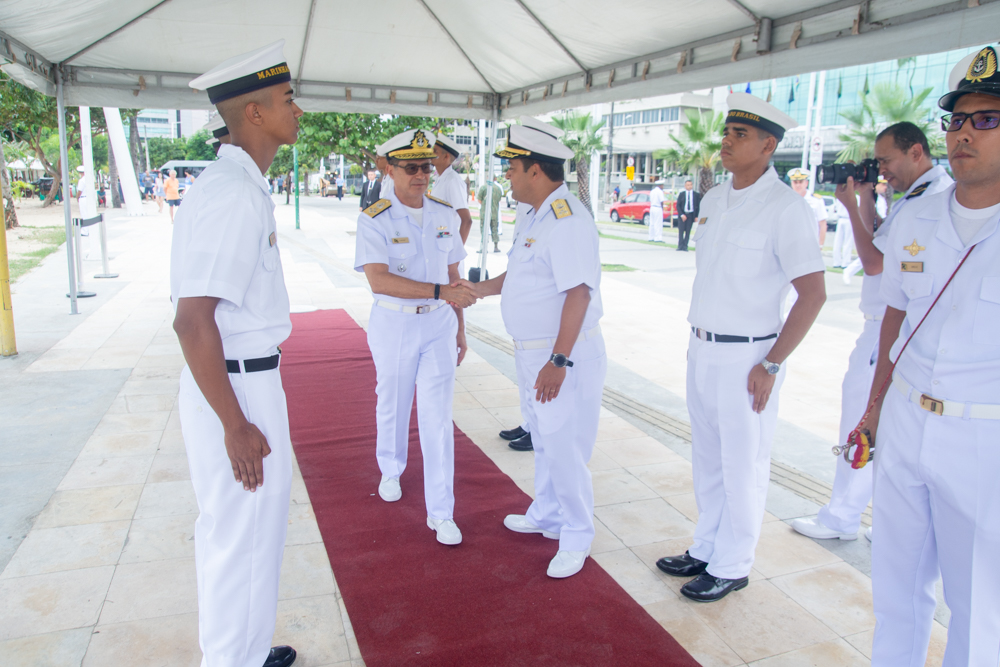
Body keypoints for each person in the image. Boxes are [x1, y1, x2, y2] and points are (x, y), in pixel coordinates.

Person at [655, 93, 826, 603]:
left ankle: (733, 563)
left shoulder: (785, 208)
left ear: (768, 145)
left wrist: (772, 363)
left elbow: (813, 294)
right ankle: (707, 546)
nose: (726, 142)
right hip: (702, 348)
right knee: (707, 457)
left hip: (750, 357)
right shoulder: (714, 199)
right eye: (727, 132)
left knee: (743, 463)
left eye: (740, 135)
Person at [859, 48, 1000, 665]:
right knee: (894, 586)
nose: (964, 132)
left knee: (979, 610)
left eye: (986, 119)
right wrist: (873, 411)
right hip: (908, 420)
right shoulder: (915, 217)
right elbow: (895, 318)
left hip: (984, 434)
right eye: (957, 120)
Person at [172, 39, 302, 667]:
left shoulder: (238, 184)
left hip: (244, 381)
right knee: (239, 542)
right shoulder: (232, 195)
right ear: (253, 113)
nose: (298, 109)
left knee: (247, 538)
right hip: (236, 388)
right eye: (287, 98)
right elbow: (192, 321)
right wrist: (236, 424)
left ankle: (245, 650)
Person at [792, 122, 953, 546]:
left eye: (886, 160)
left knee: (861, 419)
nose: (882, 170)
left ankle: (841, 516)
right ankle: (880, 521)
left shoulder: (930, 198)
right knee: (889, 429)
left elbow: (875, 261)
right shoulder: (919, 195)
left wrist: (848, 207)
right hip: (891, 325)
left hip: (889, 329)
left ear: (916, 151)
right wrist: (865, 199)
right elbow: (883, 240)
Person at [474, 115, 606, 579]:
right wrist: (480, 291)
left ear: (535, 170)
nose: (506, 176)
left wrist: (558, 360)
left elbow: (579, 293)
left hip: (562, 355)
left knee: (565, 445)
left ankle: (576, 534)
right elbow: (525, 277)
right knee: (547, 441)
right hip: (535, 353)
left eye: (512, 167)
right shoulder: (536, 214)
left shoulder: (567, 219)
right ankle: (548, 514)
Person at [354, 129, 476, 546]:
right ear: (389, 168)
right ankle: (391, 467)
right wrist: (441, 293)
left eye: (427, 166)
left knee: (438, 418)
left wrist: (459, 327)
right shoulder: (375, 218)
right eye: (411, 167)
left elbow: (455, 276)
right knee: (393, 399)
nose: (422, 175)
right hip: (395, 323)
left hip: (439, 324)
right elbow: (379, 280)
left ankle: (441, 512)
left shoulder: (445, 214)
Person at [431, 133, 473, 244]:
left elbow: (467, 220)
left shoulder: (452, 181)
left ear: (446, 157)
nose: (431, 154)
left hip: (448, 247)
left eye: (435, 151)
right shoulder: (440, 178)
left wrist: (457, 254)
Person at [788, 168, 827, 245]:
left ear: (806, 183)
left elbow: (822, 224)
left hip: (810, 244)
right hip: (790, 244)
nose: (798, 185)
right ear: (792, 183)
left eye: (801, 182)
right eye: (795, 182)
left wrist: (820, 245)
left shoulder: (816, 200)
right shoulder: (786, 200)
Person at [476, 175, 504, 254]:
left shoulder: (483, 188)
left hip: (485, 213)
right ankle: (496, 246)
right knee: (495, 229)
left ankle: (484, 247)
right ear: (495, 179)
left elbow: (479, 200)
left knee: (484, 230)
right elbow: (498, 200)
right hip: (494, 213)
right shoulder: (498, 189)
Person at [675, 180, 701, 251]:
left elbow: (698, 206)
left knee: (688, 231)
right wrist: (681, 214)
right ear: (685, 186)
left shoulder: (696, 195)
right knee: (681, 231)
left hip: (690, 215)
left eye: (690, 185)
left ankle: (685, 246)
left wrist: (696, 216)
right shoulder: (682, 194)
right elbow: (678, 205)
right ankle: (680, 246)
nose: (689, 186)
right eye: (688, 185)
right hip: (683, 215)